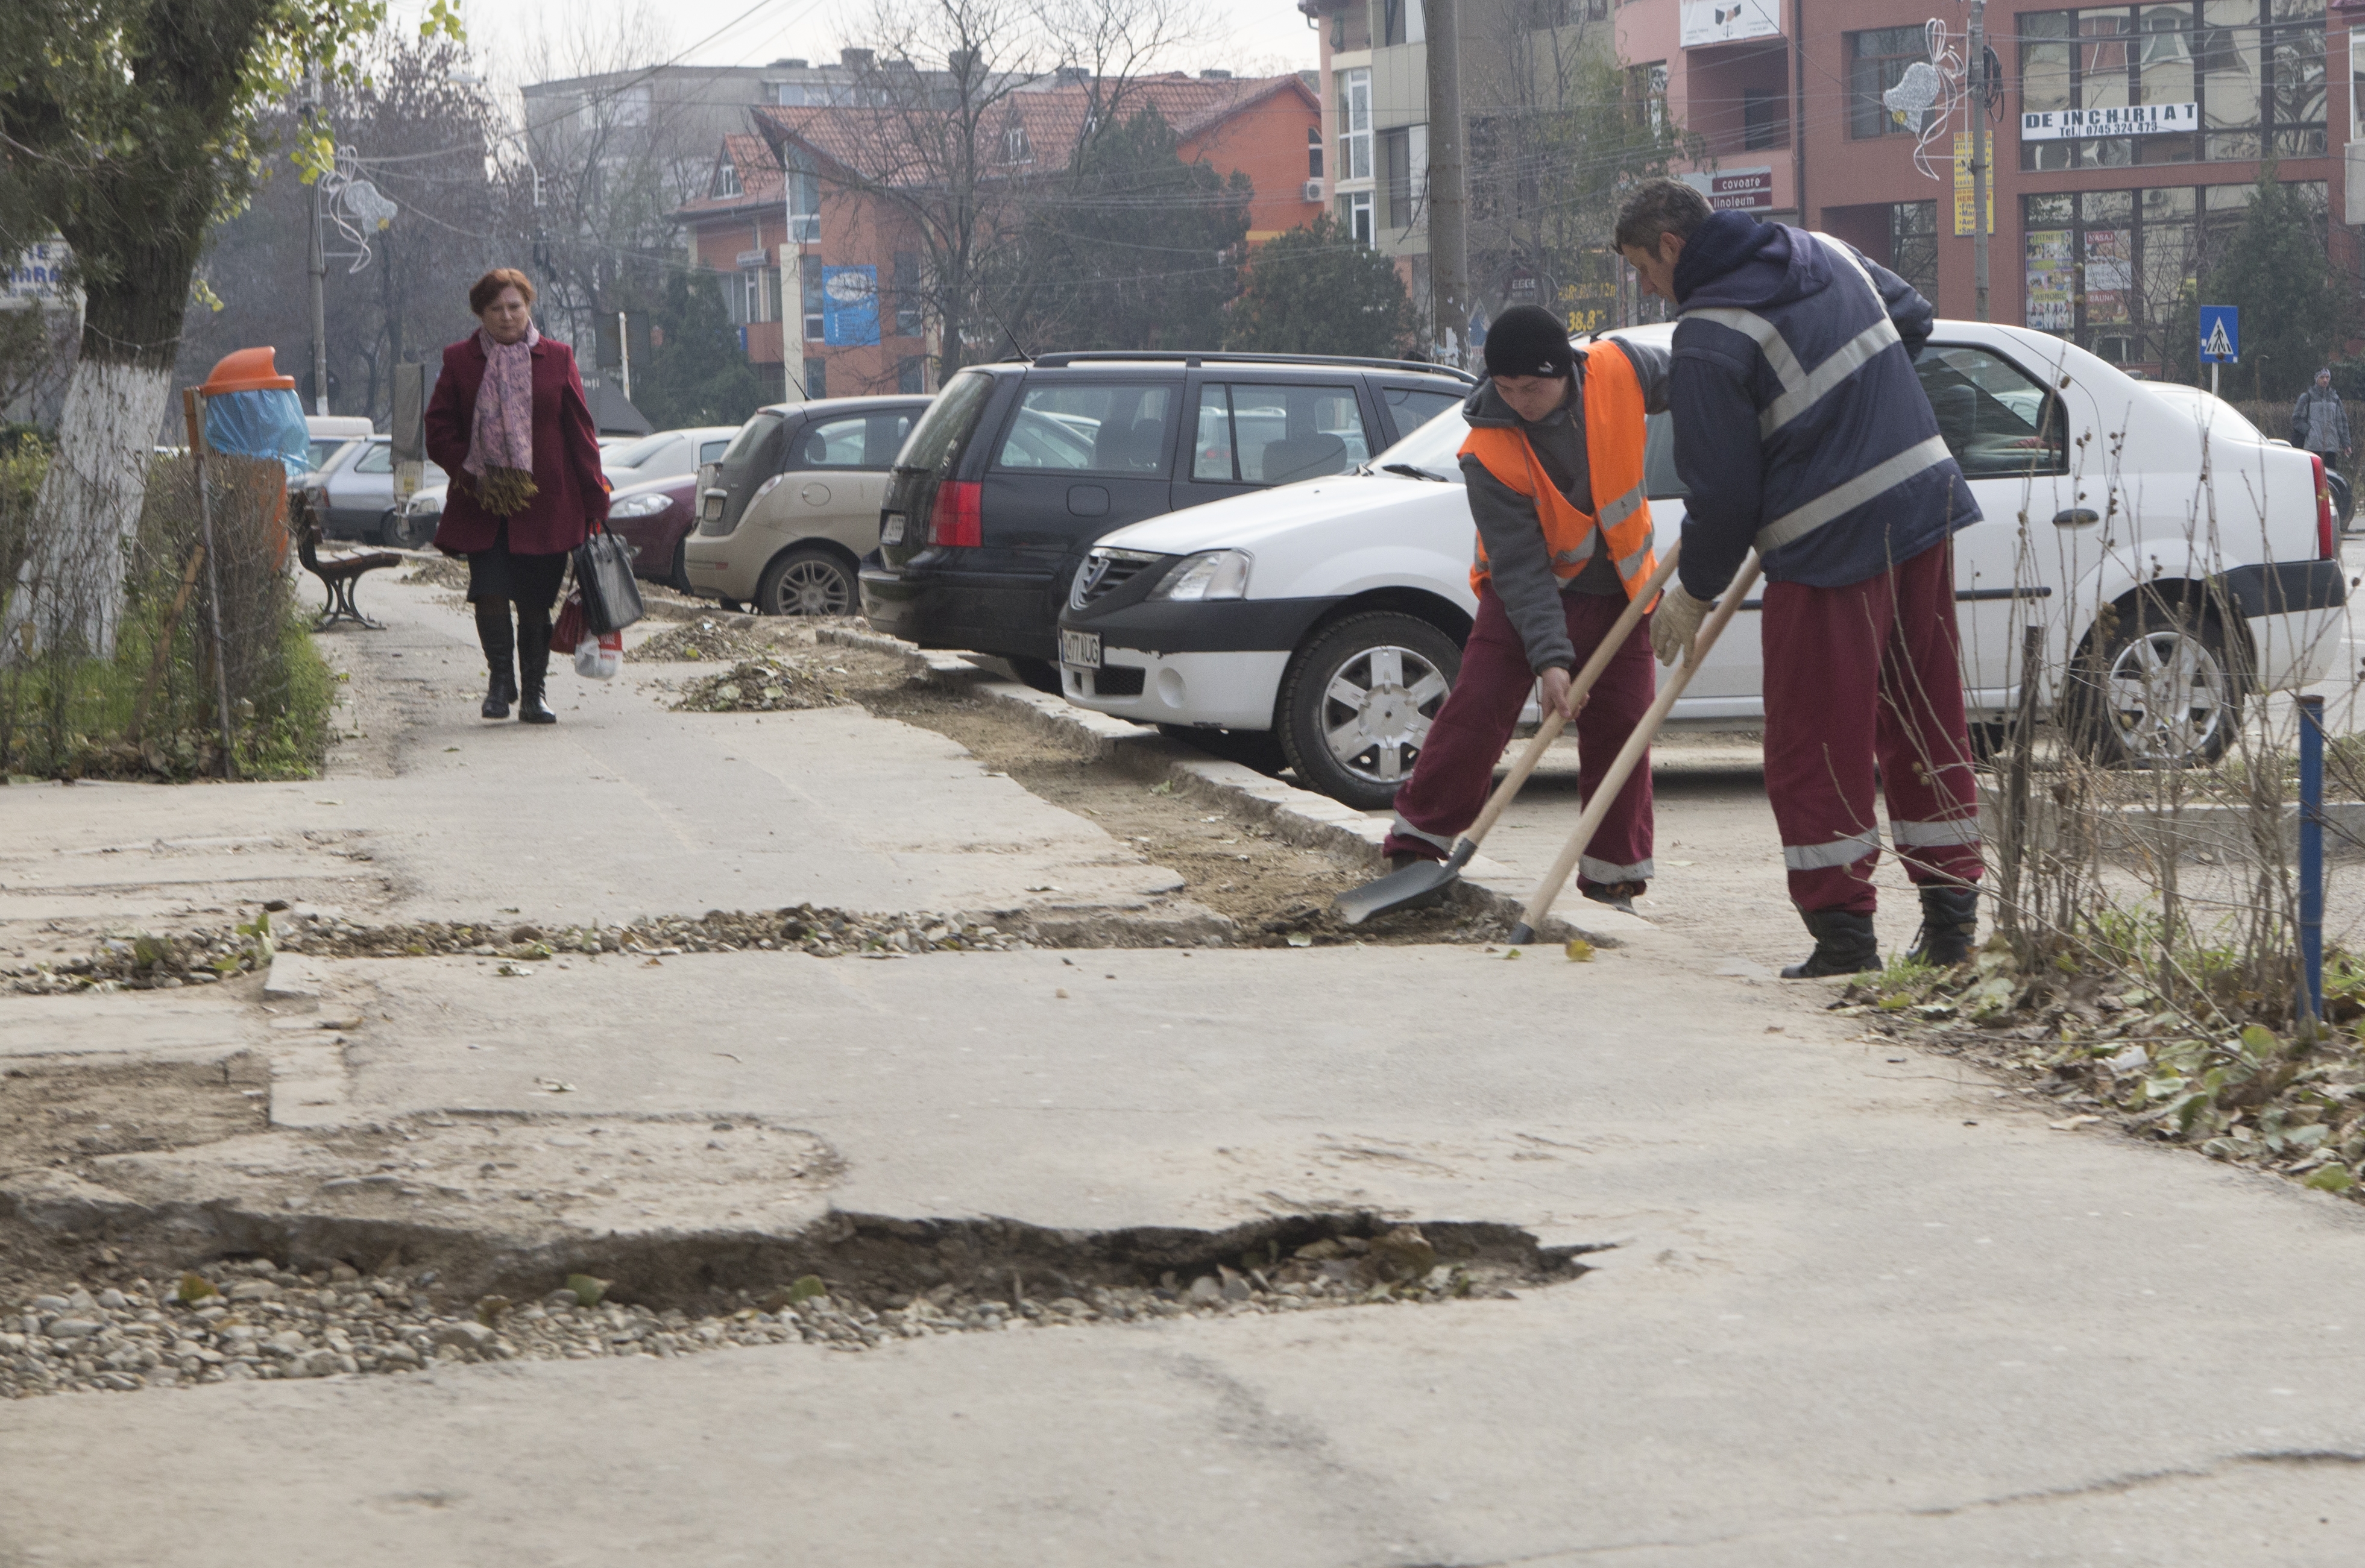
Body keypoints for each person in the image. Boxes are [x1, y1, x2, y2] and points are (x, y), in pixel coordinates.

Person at [1613, 178, 1984, 976]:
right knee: (1925, 717)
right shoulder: (1825, 251)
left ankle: (1844, 939)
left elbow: (1723, 495)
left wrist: (1692, 593)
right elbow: (1912, 320)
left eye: (1643, 269)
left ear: (1671, 247)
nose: (1646, 287)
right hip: (1921, 506)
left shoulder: (1709, 335)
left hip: (1827, 546)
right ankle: (1952, 928)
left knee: (1815, 742)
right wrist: (1853, 411)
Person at [1379, 304, 1668, 913]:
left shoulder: (1620, 369)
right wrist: (1550, 659)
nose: (1520, 401)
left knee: (1621, 731)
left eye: (1532, 387)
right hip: (1522, 603)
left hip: (1621, 593)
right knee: (1476, 710)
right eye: (1506, 389)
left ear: (1564, 369)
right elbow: (1520, 568)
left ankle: (1612, 879)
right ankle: (1416, 845)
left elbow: (1704, 378)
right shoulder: (1485, 450)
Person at [425, 268, 609, 725]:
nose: (507, 317)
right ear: (480, 314)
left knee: (534, 603)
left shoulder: (558, 357)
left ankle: (534, 693)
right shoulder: (460, 360)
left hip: (546, 505)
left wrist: (596, 499)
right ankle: (499, 682)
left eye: (515, 307)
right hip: (483, 504)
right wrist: (471, 473)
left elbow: (580, 434)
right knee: (488, 592)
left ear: (528, 308)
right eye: (496, 309)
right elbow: (438, 429)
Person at [2293, 368, 2351, 482]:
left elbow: (2342, 422)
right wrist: (2310, 432)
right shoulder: (2307, 397)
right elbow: (2296, 419)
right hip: (2312, 447)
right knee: (2313, 480)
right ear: (2316, 379)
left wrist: (2346, 444)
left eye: (2327, 377)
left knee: (2330, 481)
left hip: (2331, 447)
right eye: (2322, 377)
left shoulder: (2335, 399)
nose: (2325, 380)